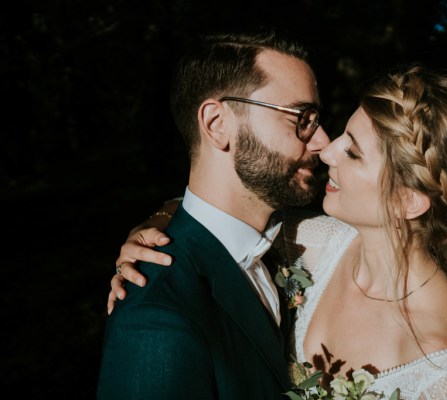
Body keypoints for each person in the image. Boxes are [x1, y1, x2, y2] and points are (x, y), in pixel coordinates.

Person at [110, 66, 447, 399]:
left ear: (409, 201)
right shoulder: (313, 243)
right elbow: (219, 219)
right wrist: (157, 224)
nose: (327, 150)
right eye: (344, 135)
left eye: (353, 153)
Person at [96, 30, 330, 399]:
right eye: (301, 118)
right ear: (217, 124)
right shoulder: (157, 318)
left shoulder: (287, 243)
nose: (322, 142)